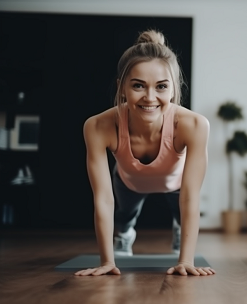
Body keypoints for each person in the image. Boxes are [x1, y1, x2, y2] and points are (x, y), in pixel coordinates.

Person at [75, 30, 214, 277]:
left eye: (161, 86)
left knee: (182, 215)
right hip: (129, 182)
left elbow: (191, 197)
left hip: (177, 183)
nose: (150, 98)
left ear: (173, 88)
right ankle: (125, 235)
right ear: (122, 88)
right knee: (124, 218)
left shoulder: (194, 125)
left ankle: (180, 232)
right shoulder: (98, 126)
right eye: (138, 85)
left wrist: (186, 261)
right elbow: (104, 199)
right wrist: (107, 262)